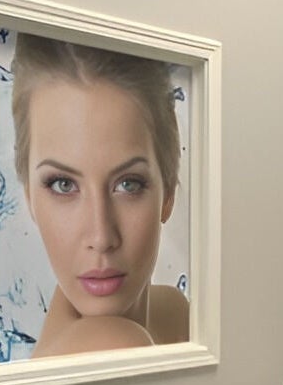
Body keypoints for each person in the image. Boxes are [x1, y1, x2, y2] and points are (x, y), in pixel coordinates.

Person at [11, 34, 189, 357]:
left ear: (168, 191)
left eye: (128, 184)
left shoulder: (173, 311)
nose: (101, 237)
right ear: (29, 197)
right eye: (63, 185)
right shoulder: (118, 343)